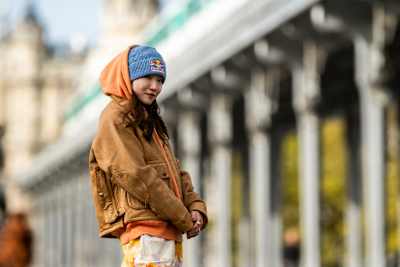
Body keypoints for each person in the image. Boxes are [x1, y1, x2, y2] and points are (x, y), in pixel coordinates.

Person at [89, 45, 208, 267]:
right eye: (148, 78)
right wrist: (183, 217)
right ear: (130, 76)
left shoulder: (147, 118)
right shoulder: (115, 118)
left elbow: (175, 171)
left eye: (160, 80)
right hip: (147, 234)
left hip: (165, 231)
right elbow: (136, 176)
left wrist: (196, 208)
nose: (155, 87)